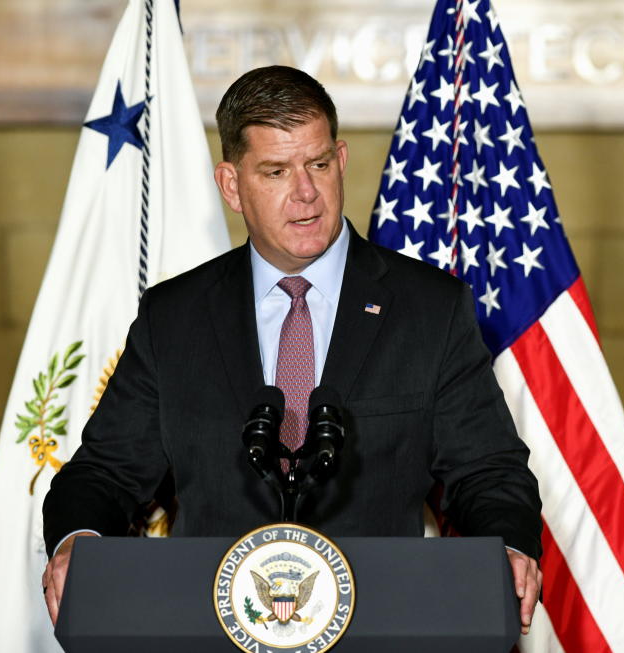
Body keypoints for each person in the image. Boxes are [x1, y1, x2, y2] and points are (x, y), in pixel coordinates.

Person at [42, 65, 542, 634]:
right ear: (231, 186)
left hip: (384, 626)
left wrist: (508, 545)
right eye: (276, 171)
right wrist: (78, 541)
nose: (305, 193)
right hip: (207, 627)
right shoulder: (174, 318)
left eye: (319, 165)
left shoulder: (429, 309)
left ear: (342, 160)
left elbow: (488, 471)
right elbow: (104, 474)